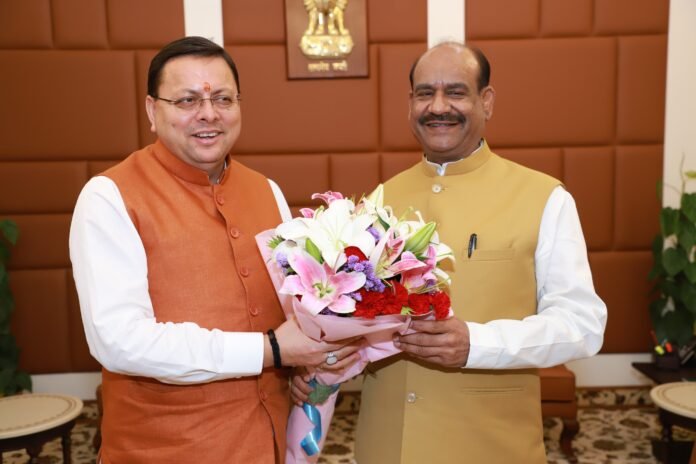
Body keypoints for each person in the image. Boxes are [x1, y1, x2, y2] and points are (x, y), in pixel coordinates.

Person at [291, 42, 607, 463]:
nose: (438, 106)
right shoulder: (378, 202)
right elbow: (356, 326)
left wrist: (476, 343)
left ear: (486, 101)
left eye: (456, 92)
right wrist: (323, 365)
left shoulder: (544, 198)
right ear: (410, 104)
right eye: (425, 93)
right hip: (387, 445)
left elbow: (582, 325)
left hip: (491, 446)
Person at [69, 36, 359, 464]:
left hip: (269, 442)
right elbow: (119, 340)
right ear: (152, 111)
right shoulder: (109, 196)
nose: (208, 113)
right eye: (187, 100)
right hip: (164, 451)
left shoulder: (267, 190)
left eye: (223, 98)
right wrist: (270, 350)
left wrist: (307, 365)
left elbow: (289, 311)